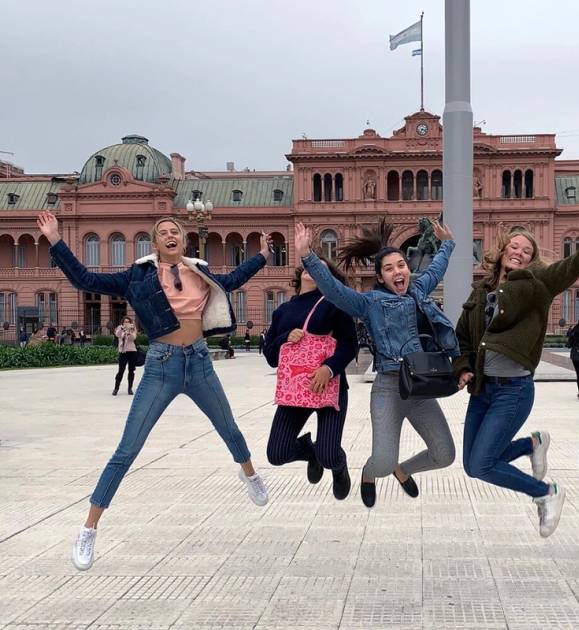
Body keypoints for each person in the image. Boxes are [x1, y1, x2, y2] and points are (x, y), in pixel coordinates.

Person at [37, 211, 273, 571]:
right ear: (155, 242)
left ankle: (250, 474)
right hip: (161, 367)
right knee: (127, 449)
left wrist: (263, 257)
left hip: (199, 363)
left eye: (174, 230)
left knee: (229, 428)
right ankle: (89, 528)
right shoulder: (138, 276)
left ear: (183, 238)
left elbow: (233, 279)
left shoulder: (199, 269)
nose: (169, 235)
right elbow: (84, 279)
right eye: (162, 232)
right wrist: (55, 240)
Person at [454, 197, 579, 537]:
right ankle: (531, 445)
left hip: (513, 391)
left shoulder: (539, 286)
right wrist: (462, 367)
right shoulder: (482, 290)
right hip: (483, 391)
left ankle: (547, 493)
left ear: (532, 259)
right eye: (514, 246)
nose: (519, 252)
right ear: (503, 250)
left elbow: (576, 262)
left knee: (482, 463)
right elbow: (463, 336)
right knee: (472, 465)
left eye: (526, 250)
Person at [295, 218, 458, 509]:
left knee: (444, 455)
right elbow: (334, 290)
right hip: (388, 388)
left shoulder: (419, 290)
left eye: (401, 266)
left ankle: (404, 470)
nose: (398, 272)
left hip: (421, 389)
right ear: (381, 278)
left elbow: (436, 268)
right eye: (389, 268)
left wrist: (447, 244)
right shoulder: (369, 303)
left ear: (408, 270)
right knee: (382, 461)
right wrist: (308, 256)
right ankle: (370, 476)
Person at [263, 259, 358, 500]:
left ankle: (338, 465)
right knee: (277, 453)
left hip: (328, 387)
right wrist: (285, 337)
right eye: (308, 265)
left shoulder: (335, 304)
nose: (311, 268)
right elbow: (271, 357)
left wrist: (329, 368)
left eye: (320, 267)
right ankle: (309, 451)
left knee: (329, 455)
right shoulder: (282, 311)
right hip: (294, 390)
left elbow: (350, 345)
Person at [113, 317, 138, 395]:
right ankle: (116, 388)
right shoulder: (119, 328)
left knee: (131, 371)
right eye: (125, 322)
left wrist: (129, 331)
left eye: (128, 322)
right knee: (121, 371)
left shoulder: (133, 328)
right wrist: (122, 329)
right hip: (123, 352)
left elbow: (133, 338)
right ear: (122, 322)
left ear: (130, 323)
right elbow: (117, 335)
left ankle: (130, 388)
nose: (126, 323)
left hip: (132, 352)